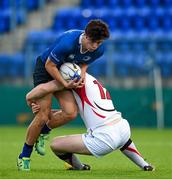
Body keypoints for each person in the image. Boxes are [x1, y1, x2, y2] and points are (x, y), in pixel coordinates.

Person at [17, 19, 110, 171]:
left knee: (71, 113)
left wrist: (82, 74)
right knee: (42, 115)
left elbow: (85, 62)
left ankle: (44, 132)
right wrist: (65, 84)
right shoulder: (68, 42)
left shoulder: (99, 50)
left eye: (99, 43)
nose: (95, 46)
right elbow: (49, 65)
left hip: (65, 74)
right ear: (85, 36)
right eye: (93, 42)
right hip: (46, 69)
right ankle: (24, 156)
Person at [26, 73, 155, 171]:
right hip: (123, 128)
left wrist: (30, 98)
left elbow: (45, 88)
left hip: (103, 138)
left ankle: (79, 167)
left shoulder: (72, 76)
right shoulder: (90, 80)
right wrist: (46, 111)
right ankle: (145, 165)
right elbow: (67, 111)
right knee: (121, 139)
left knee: (55, 144)